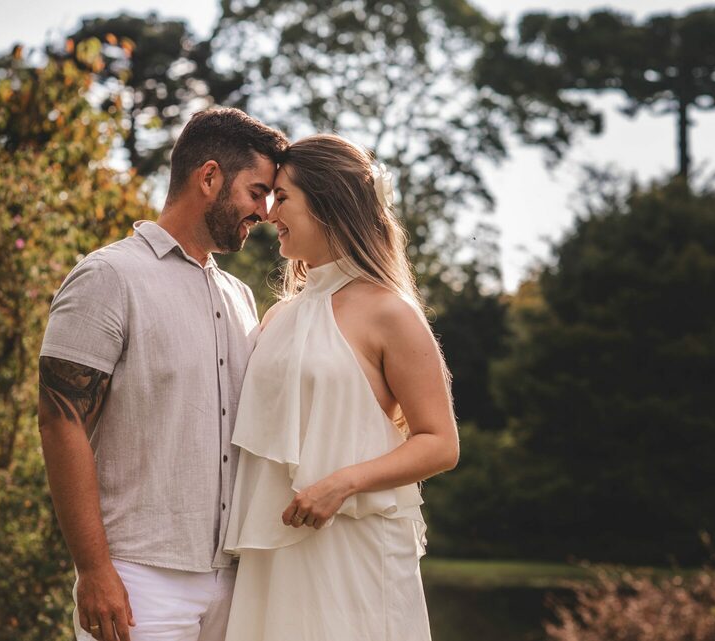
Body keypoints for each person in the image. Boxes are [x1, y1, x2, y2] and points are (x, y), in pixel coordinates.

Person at [37, 108, 287, 641]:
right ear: (210, 177)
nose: (265, 211)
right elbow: (61, 423)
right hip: (138, 581)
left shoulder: (239, 297)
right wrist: (95, 570)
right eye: (257, 191)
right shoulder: (108, 276)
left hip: (234, 580)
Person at [222, 134, 459, 641]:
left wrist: (340, 483)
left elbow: (440, 442)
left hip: (355, 549)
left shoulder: (390, 313)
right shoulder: (280, 315)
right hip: (276, 552)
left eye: (282, 197)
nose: (268, 213)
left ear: (328, 204)